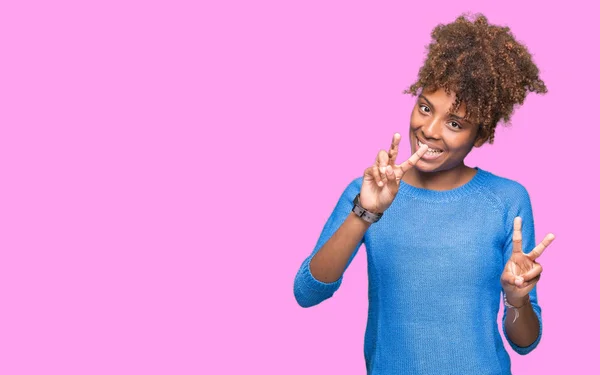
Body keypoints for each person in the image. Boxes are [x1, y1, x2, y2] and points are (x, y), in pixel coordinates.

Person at [293, 13, 556, 375]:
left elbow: (525, 343)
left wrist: (517, 299)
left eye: (454, 123)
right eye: (425, 107)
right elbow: (308, 293)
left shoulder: (506, 199)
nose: (429, 130)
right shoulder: (368, 190)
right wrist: (364, 212)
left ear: (479, 136)